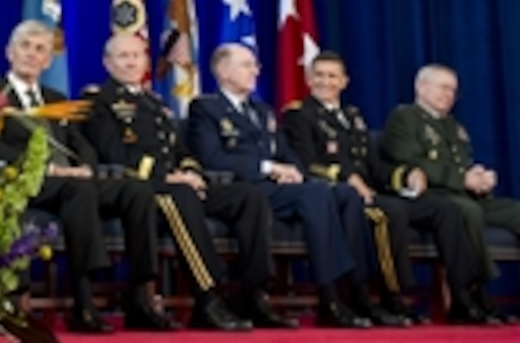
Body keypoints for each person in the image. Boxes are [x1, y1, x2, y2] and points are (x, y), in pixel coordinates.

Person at [80, 32, 291, 330]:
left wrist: (192, 172)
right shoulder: (99, 101)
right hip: (141, 188)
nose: (131, 62)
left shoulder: (154, 103)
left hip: (180, 182)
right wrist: (167, 176)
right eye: (123, 56)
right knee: (180, 194)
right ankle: (207, 298)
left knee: (248, 196)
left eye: (137, 55)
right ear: (107, 62)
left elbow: (181, 150)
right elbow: (113, 153)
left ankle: (254, 293)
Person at [0, 20, 172, 333]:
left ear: (48, 60)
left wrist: (86, 165)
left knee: (136, 190)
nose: (32, 55)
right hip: (23, 182)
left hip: (70, 182)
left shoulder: (57, 98)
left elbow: (80, 144)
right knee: (79, 189)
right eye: (25, 47)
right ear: (9, 51)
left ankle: (141, 295)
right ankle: (83, 299)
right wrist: (46, 169)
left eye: (40, 50)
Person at [282, 51, 488, 324]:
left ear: (344, 81)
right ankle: (393, 297)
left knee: (445, 209)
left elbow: (375, 167)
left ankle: (462, 296)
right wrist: (347, 178)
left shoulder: (353, 116)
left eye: (333, 76)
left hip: (374, 192)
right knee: (391, 213)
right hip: (340, 197)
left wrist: (406, 176)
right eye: (319, 75)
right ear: (308, 79)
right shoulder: (299, 115)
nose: (325, 82)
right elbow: (307, 164)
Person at [186, 42, 371, 328]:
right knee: (317, 193)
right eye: (247, 65)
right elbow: (211, 158)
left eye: (256, 65)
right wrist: (269, 168)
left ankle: (353, 291)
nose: (255, 71)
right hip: (241, 188)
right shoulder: (205, 107)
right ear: (223, 71)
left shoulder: (262, 111)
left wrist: (295, 171)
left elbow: (286, 153)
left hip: (278, 189)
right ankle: (329, 296)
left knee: (340, 194)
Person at [382, 63, 520, 323]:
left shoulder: (452, 125)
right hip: (432, 197)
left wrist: (479, 177)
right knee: (466, 211)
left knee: (515, 211)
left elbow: (461, 164)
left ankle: (478, 292)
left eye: (453, 90)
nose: (449, 95)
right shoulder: (404, 118)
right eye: (443, 88)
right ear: (421, 87)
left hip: (464, 193)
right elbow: (411, 160)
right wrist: (463, 179)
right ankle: (475, 291)